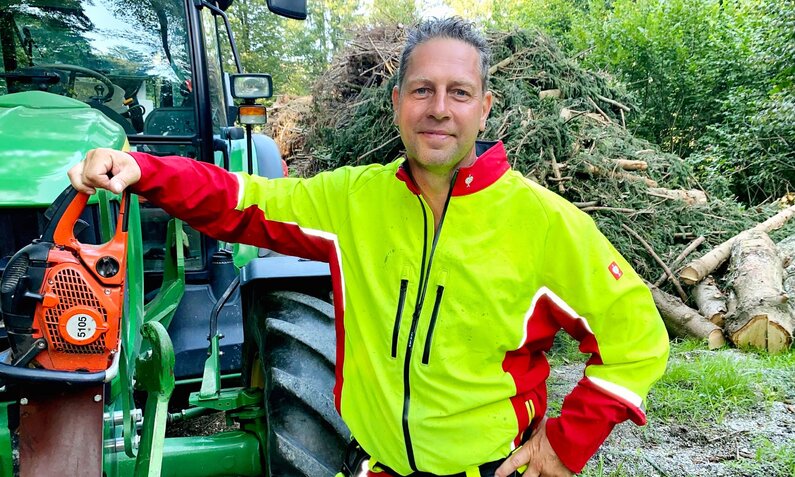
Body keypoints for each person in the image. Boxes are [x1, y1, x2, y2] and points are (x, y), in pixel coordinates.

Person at [69, 17, 669, 477]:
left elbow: (635, 340)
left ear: (484, 109)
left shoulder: (545, 223)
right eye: (421, 90)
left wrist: (566, 445)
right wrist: (142, 169)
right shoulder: (354, 200)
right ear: (397, 103)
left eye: (459, 93)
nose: (438, 109)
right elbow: (239, 197)